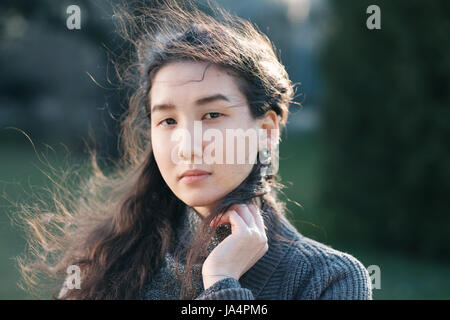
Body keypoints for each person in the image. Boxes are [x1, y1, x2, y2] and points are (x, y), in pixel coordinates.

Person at [17, 0, 372, 300]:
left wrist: (221, 283)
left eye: (212, 115)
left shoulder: (329, 279)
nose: (187, 145)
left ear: (266, 130)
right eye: (168, 121)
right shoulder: (107, 264)